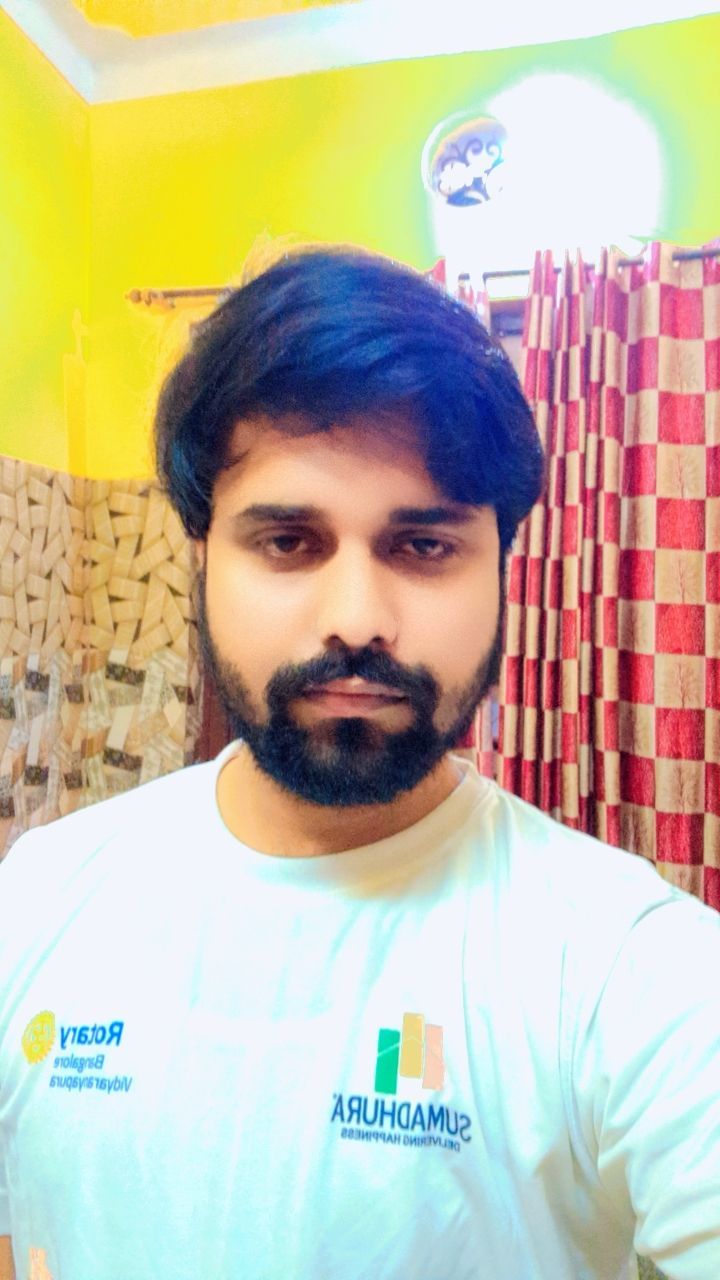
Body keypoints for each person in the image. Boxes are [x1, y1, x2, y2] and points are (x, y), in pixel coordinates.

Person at [0, 246, 718, 1280]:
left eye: (422, 546)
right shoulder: (40, 894)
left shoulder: (625, 968)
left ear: (504, 567)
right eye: (289, 542)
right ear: (202, 556)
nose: (355, 619)